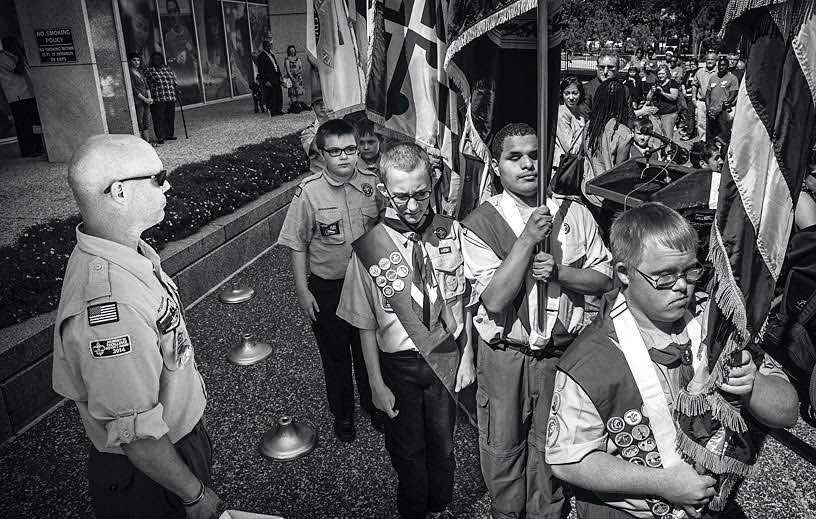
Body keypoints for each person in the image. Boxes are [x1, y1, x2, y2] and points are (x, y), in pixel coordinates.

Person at [546, 202, 799, 519]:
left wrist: (752, 385)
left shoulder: (717, 322)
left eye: (690, 271)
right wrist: (662, 482)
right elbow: (568, 460)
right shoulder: (590, 361)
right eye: (663, 276)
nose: (682, 285)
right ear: (623, 273)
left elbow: (788, 411)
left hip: (711, 503)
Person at [52, 134, 222, 519]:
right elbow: (137, 433)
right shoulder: (111, 304)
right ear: (119, 193)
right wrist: (193, 495)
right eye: (158, 177)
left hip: (171, 449)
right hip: (152, 476)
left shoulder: (126, 252)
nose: (169, 184)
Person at [461, 123, 613, 519]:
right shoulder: (481, 222)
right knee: (503, 447)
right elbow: (493, 299)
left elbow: (604, 276)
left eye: (535, 155)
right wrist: (527, 240)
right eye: (515, 157)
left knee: (552, 448)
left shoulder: (575, 212)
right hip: (506, 356)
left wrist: (562, 272)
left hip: (563, 356)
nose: (528, 165)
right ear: (496, 165)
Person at [337, 142, 475, 519]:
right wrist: (375, 385)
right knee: (407, 450)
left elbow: (466, 303)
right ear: (384, 191)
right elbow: (364, 325)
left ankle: (440, 506)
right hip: (397, 366)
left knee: (444, 448)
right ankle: (414, 510)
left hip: (445, 359)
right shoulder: (369, 248)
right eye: (402, 197)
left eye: (421, 194)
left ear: (432, 183)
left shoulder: (453, 233)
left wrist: (469, 357)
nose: (413, 206)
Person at [277, 119, 385, 441]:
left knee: (370, 350)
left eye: (350, 149)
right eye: (335, 151)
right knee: (335, 354)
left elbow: (385, 227)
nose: (344, 157)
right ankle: (343, 414)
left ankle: (372, 403)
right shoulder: (309, 193)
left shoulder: (372, 183)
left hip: (369, 283)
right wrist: (302, 291)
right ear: (321, 154)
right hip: (329, 287)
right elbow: (297, 242)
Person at [583, 80, 634, 210]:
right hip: (607, 198)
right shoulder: (623, 133)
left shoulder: (589, 126)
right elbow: (620, 171)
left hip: (587, 191)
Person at [0, 36, 44, 157]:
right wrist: (20, 55)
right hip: (17, 96)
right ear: (8, 45)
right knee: (24, 124)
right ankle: (28, 150)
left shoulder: (15, 55)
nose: (18, 45)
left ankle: (38, 147)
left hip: (29, 93)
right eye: (15, 43)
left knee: (34, 122)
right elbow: (18, 70)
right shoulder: (3, 57)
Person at [144, 52, 178, 144]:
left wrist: (176, 89)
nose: (156, 60)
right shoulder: (149, 70)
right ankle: (160, 136)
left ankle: (169, 135)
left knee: (170, 117)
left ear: (162, 60)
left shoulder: (167, 68)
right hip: (158, 98)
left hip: (170, 97)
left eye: (158, 59)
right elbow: (146, 85)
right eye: (154, 59)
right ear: (152, 60)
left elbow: (174, 80)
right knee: (159, 118)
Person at [554, 76, 587, 170]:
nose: (571, 97)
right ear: (562, 94)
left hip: (572, 166)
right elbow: (571, 150)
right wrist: (582, 129)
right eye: (567, 93)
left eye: (575, 93)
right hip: (563, 168)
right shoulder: (562, 114)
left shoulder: (577, 112)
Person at [706, 57, 739, 143]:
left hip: (723, 112)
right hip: (711, 112)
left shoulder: (732, 78)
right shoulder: (713, 78)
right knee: (710, 137)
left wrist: (721, 108)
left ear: (728, 66)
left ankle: (721, 155)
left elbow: (733, 94)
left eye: (724, 65)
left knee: (723, 137)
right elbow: (707, 94)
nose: (721, 67)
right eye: (720, 65)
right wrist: (708, 109)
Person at [127, 52, 156, 146]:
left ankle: (147, 142)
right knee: (140, 121)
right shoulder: (129, 73)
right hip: (138, 101)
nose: (136, 62)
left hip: (146, 100)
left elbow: (147, 85)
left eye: (138, 60)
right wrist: (145, 99)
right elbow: (134, 90)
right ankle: (140, 143)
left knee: (146, 120)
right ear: (130, 61)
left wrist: (150, 97)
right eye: (134, 60)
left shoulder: (140, 71)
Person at [646, 64, 680, 140]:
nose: (660, 76)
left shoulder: (672, 83)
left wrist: (662, 93)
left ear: (667, 74)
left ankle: (669, 151)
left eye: (662, 73)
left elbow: (674, 97)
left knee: (667, 137)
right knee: (657, 137)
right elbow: (648, 99)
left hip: (669, 113)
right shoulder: (657, 83)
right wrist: (652, 92)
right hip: (657, 114)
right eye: (659, 74)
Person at [301, 97, 330, 175]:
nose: (322, 106)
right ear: (313, 107)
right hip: (320, 175)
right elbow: (317, 148)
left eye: (325, 102)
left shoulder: (341, 124)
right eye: (318, 104)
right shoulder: (308, 131)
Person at [257, 38, 282, 116]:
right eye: (267, 46)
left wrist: (280, 75)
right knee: (271, 96)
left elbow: (276, 66)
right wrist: (265, 81)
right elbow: (261, 71)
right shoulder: (261, 57)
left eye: (270, 45)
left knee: (278, 94)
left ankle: (279, 110)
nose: (269, 47)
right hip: (269, 79)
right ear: (264, 46)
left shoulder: (271, 55)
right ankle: (273, 111)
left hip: (276, 78)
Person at [284, 44, 306, 111]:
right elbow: (288, 70)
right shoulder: (287, 59)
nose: (292, 51)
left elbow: (301, 68)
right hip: (291, 78)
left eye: (293, 50)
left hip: (298, 77)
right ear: (289, 51)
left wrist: (298, 73)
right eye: (291, 50)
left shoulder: (298, 59)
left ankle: (298, 104)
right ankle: (293, 105)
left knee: (298, 91)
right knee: (292, 92)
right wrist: (292, 77)